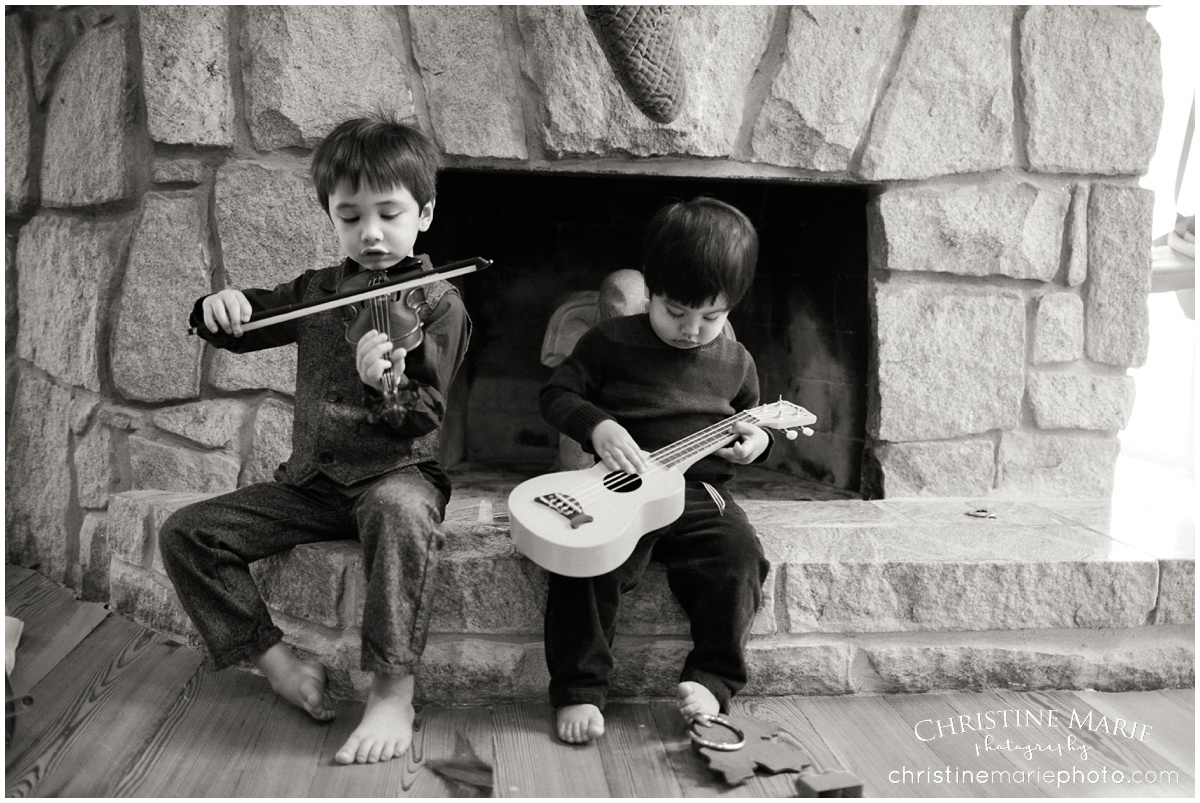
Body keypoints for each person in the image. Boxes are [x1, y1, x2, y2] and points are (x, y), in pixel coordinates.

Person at [158, 113, 470, 765]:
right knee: (186, 531)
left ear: (426, 214)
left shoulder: (437, 304)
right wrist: (220, 309)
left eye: (389, 213)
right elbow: (246, 324)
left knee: (398, 510)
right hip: (309, 481)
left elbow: (424, 415)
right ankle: (272, 659)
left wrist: (387, 385)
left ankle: (393, 690)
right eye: (350, 216)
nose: (372, 232)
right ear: (330, 215)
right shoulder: (317, 292)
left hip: (395, 475)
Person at [538, 196, 772, 744]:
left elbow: (752, 421)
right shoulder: (609, 342)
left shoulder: (736, 362)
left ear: (732, 306)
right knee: (583, 564)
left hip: (698, 492)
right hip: (619, 486)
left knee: (740, 559)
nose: (692, 330)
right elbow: (556, 394)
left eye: (711, 317)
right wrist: (597, 426)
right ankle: (580, 688)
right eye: (675, 312)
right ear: (651, 293)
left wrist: (756, 442)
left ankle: (713, 679)